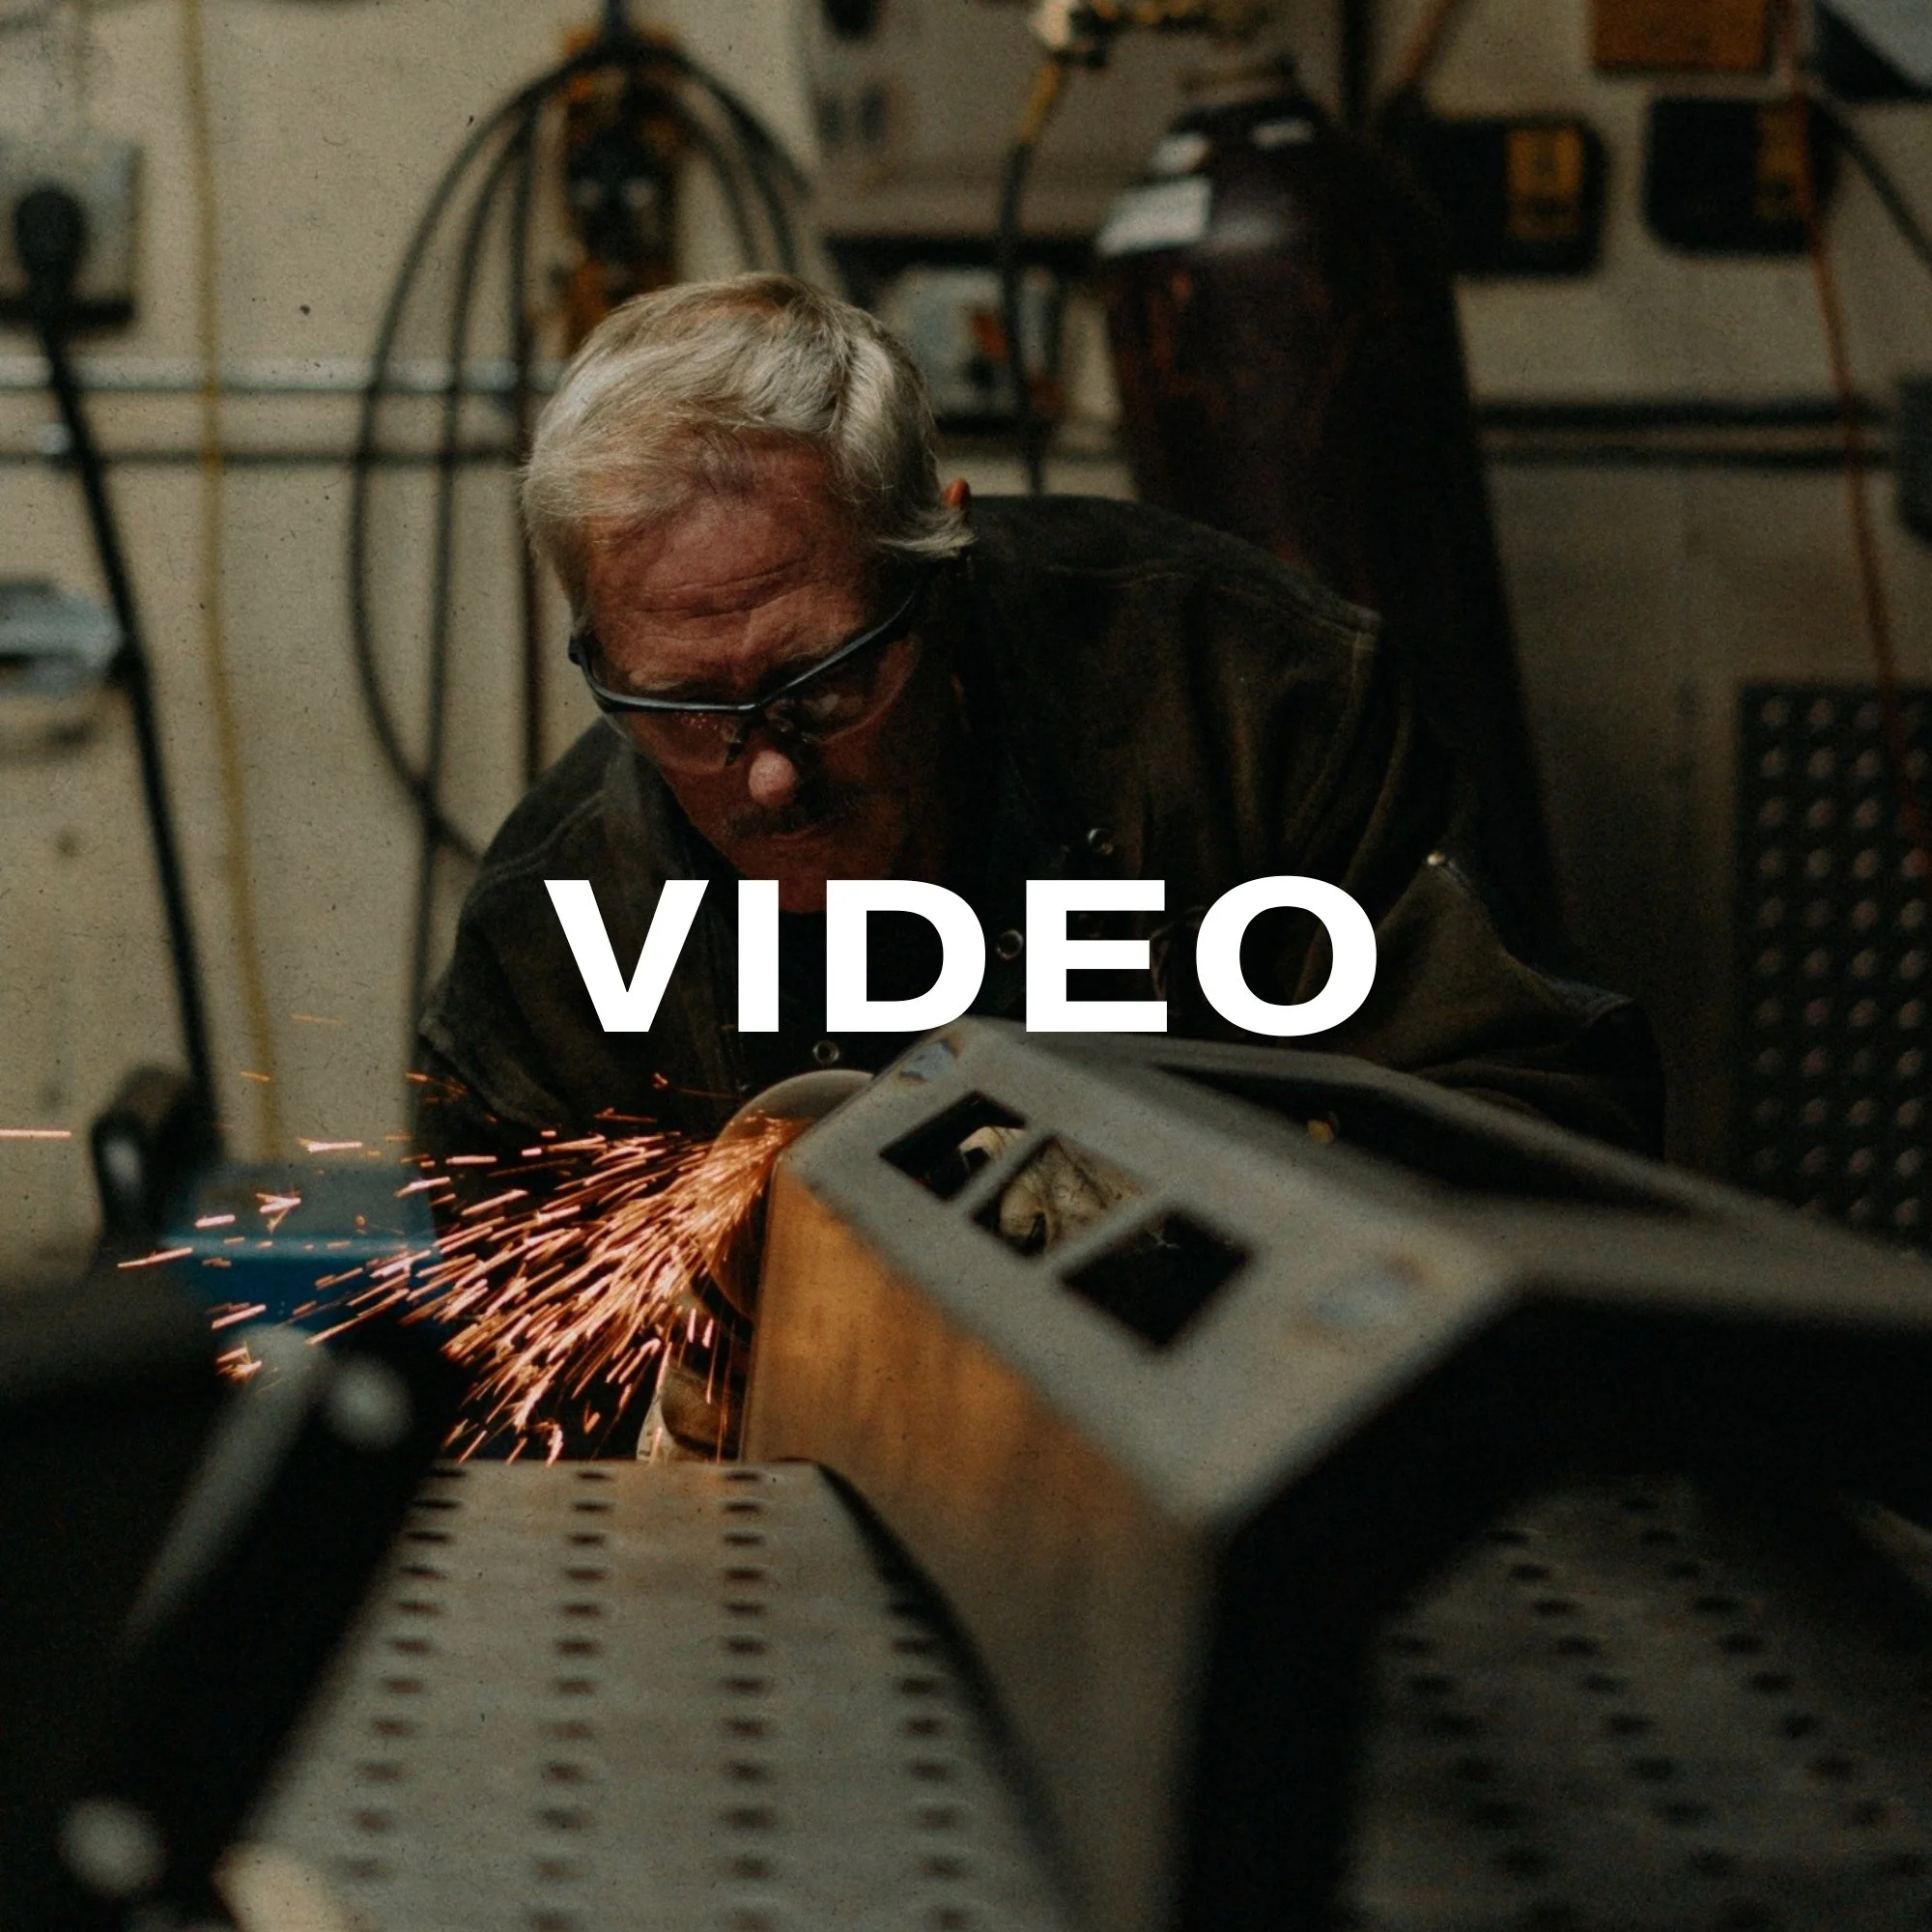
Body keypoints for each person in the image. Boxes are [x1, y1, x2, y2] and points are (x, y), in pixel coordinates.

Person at [414, 272, 1660, 1448]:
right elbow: (497, 1364)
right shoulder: (562, 928)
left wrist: (1179, 1214)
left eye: (830, 680)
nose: (771, 774)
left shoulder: (1243, 700)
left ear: (939, 565)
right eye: (685, 708)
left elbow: (1551, 1128)